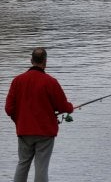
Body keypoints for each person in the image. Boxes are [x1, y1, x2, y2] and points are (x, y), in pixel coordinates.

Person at [5, 47, 74, 182]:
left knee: (23, 164)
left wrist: (19, 120)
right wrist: (70, 108)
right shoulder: (51, 82)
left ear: (31, 61)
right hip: (45, 133)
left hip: (24, 131)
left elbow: (9, 109)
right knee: (41, 167)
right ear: (45, 62)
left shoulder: (17, 81)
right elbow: (63, 106)